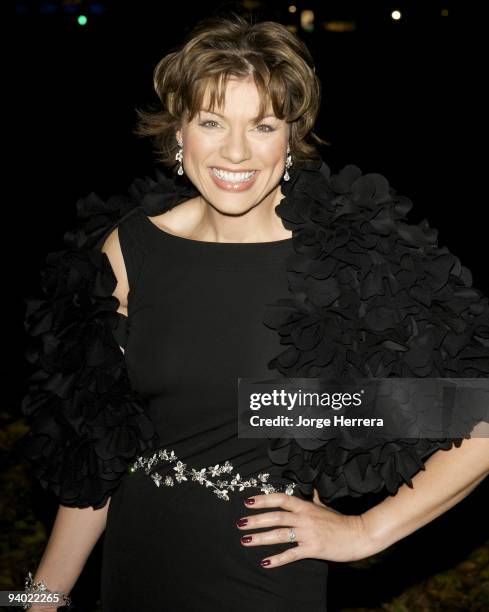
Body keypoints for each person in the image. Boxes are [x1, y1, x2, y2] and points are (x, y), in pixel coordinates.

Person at [18, 13, 489, 612]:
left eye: (262, 125)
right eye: (212, 121)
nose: (236, 151)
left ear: (290, 138)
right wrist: (36, 598)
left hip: (263, 577)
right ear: (178, 133)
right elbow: (102, 453)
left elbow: (477, 413)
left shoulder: (344, 262)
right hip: (138, 567)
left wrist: (366, 530)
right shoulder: (129, 250)